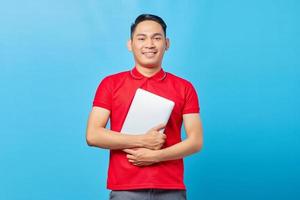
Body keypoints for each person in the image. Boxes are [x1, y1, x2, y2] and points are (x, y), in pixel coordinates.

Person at [86, 14, 203, 200]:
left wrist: (157, 156)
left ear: (167, 43)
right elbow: (93, 135)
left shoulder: (184, 87)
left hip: (170, 187)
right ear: (130, 44)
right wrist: (142, 140)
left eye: (157, 38)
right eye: (142, 38)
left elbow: (196, 141)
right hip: (125, 188)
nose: (149, 44)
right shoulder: (110, 84)